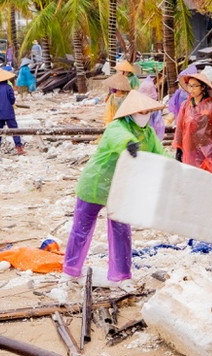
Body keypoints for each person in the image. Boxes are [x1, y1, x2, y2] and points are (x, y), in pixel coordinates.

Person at [64, 90, 167, 281]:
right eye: (141, 112)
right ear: (130, 113)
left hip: (121, 188)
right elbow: (119, 137)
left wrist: (177, 169)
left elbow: (161, 155)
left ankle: (120, 276)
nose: (145, 116)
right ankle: (70, 270)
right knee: (82, 228)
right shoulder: (116, 127)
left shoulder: (149, 133)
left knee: (121, 232)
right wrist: (129, 144)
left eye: (147, 112)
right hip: (96, 183)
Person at [173, 68, 212, 176]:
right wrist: (179, 148)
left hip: (209, 149)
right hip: (190, 149)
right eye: (189, 85)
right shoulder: (185, 105)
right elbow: (180, 127)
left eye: (195, 86)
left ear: (202, 87)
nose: (191, 89)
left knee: (211, 176)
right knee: (192, 177)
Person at [0, 68, 22, 156]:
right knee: (14, 130)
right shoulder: (8, 87)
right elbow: (12, 100)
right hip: (8, 112)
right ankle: (19, 148)